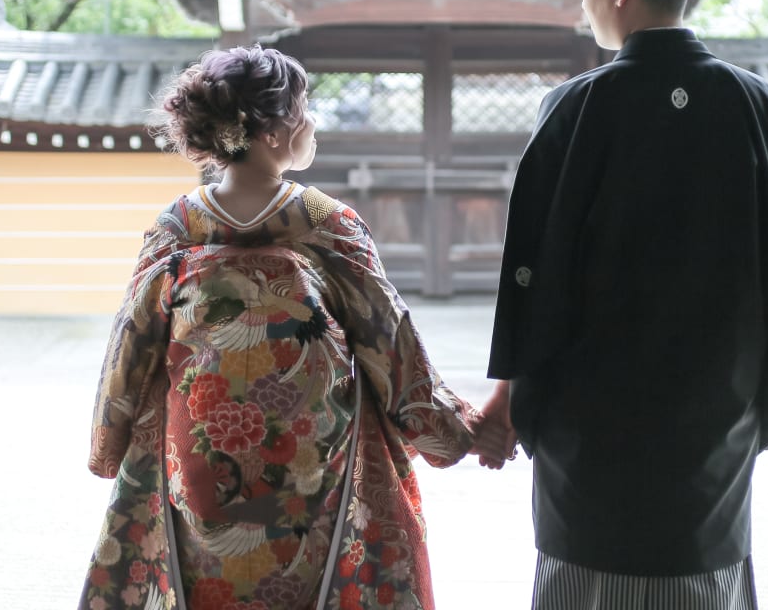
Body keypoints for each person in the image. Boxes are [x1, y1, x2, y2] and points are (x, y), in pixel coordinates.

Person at [78, 45, 509, 610]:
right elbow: (390, 344)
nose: (311, 123)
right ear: (274, 132)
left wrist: (107, 444)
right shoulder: (327, 225)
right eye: (303, 110)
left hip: (198, 466)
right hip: (311, 472)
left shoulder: (176, 226)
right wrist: (455, 430)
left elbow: (128, 345)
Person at [481, 0, 768, 608]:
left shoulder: (577, 107)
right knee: (704, 576)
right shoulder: (756, 105)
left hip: (592, 425)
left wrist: (507, 398)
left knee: (587, 580)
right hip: (718, 416)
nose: (584, 5)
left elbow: (532, 270)